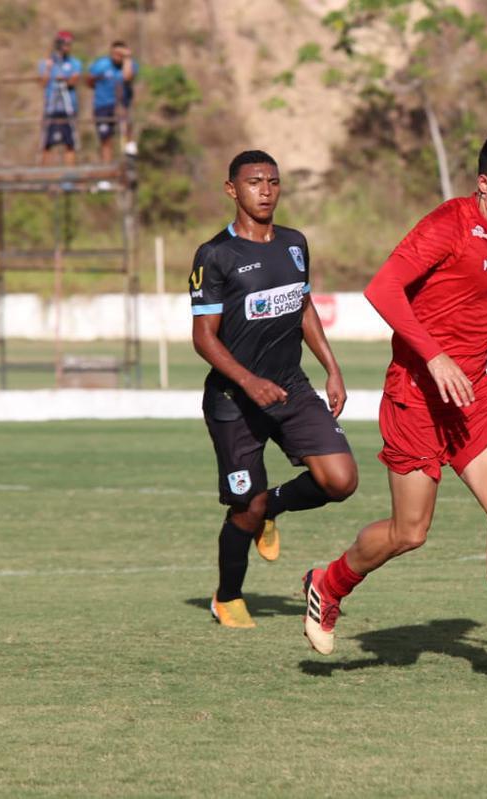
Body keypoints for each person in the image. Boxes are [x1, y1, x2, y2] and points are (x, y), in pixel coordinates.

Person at [301, 130, 487, 687]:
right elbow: (383, 289)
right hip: (416, 397)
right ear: (484, 184)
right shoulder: (447, 224)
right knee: (410, 532)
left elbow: (468, 313)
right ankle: (329, 583)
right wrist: (435, 357)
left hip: (471, 395)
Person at [189, 150, 358, 629]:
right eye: (254, 182)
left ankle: (273, 508)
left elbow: (303, 307)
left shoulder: (294, 243)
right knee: (247, 506)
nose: (265, 190)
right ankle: (227, 597)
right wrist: (249, 381)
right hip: (234, 399)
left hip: (291, 388)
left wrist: (332, 368)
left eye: (273, 182)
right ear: (232, 189)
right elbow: (203, 337)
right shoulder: (215, 255)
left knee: (341, 480)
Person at [87, 40, 138, 164]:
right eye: (115, 53)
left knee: (126, 132)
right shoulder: (101, 64)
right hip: (102, 106)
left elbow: (127, 77)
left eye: (121, 54)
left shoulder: (130, 64)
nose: (117, 56)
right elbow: (89, 80)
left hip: (122, 105)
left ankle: (129, 162)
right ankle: (106, 169)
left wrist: (127, 58)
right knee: (106, 139)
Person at [37, 30, 82, 166]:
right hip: (52, 107)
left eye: (69, 44)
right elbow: (43, 83)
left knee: (70, 143)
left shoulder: (74, 63)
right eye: (65, 43)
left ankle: (69, 176)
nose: (68, 47)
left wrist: (64, 79)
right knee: (47, 143)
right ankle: (45, 175)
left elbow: (74, 80)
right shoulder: (46, 63)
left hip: (68, 107)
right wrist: (48, 69)